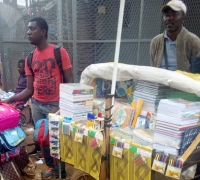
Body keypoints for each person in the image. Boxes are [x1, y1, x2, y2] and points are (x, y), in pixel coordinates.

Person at [3, 17, 74, 179]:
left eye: (32, 29)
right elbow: (29, 89)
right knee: (42, 139)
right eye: (28, 29)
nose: (28, 32)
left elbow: (70, 81)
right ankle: (51, 166)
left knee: (56, 139)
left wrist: (62, 106)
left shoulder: (58, 52)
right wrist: (9, 100)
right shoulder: (29, 58)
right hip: (37, 105)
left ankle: (61, 171)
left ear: (43, 32)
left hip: (55, 105)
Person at [150, 0, 200, 72]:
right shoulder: (155, 42)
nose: (169, 18)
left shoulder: (193, 41)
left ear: (183, 18)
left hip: (182, 82)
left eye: (174, 15)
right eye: (166, 15)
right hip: (159, 82)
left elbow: (197, 72)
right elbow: (153, 68)